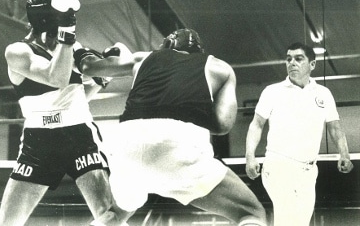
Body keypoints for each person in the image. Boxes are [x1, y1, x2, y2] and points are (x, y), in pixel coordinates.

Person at [78, 28, 268, 226]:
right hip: (176, 144)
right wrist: (192, 106)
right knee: (251, 212)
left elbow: (87, 66)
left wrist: (78, 50)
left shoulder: (143, 58)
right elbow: (222, 126)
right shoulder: (220, 68)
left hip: (126, 145)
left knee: (118, 214)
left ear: (167, 44)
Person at [0, 0, 130, 226]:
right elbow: (55, 78)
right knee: (8, 224)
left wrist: (103, 79)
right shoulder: (17, 52)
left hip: (79, 134)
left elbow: (72, 97)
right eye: (64, 16)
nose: (70, 21)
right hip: (39, 142)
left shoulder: (71, 48)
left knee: (109, 217)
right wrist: (67, 35)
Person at [245, 42, 354, 226]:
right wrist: (250, 157)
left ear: (312, 65)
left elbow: (334, 127)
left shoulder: (324, 94)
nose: (292, 63)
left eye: (298, 58)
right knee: (288, 220)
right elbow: (256, 125)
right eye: (288, 59)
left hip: (308, 170)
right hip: (278, 166)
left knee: (300, 222)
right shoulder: (272, 91)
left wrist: (344, 154)